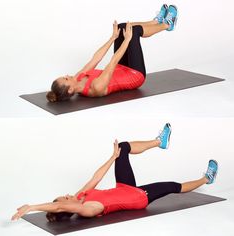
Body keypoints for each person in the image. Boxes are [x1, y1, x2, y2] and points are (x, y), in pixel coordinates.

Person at [11, 123, 218, 221]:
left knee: (124, 148)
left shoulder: (81, 196)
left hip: (124, 187)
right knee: (173, 186)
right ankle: (206, 178)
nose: (67, 195)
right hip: (138, 198)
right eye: (63, 199)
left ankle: (159, 142)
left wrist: (113, 157)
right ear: (67, 207)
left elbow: (96, 177)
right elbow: (59, 207)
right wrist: (32, 207)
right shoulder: (88, 209)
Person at [46, 4, 178, 102]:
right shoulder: (96, 88)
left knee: (121, 27)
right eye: (66, 78)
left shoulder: (78, 78)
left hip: (121, 67)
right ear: (70, 89)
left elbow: (95, 59)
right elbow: (112, 62)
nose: (68, 75)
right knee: (134, 32)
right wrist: (127, 40)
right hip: (134, 75)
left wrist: (113, 37)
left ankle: (154, 22)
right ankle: (167, 25)